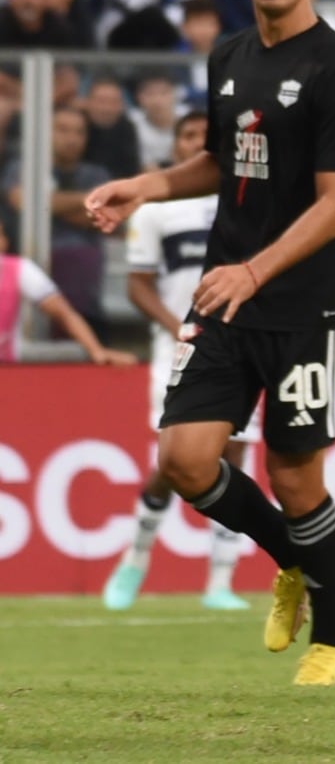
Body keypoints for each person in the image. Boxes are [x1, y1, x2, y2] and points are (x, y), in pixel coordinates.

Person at [83, 0, 335, 686]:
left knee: (293, 476)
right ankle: (293, 561)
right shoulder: (229, 57)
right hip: (226, 297)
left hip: (306, 307)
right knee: (183, 458)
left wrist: (256, 268)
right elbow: (222, 162)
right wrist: (146, 186)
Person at [103, 111, 250, 613]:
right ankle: (136, 557)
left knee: (233, 457)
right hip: (180, 345)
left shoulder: (247, 203)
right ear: (175, 142)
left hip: (241, 343)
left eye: (202, 136)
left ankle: (220, 581)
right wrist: (175, 325)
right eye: (185, 134)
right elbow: (137, 283)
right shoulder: (156, 208)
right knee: (173, 462)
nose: (194, 142)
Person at [3, 107, 113, 331]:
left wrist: (46, 202)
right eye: (62, 130)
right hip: (32, 283)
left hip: (85, 290)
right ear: (46, 131)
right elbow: (22, 201)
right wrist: (86, 199)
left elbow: (103, 218)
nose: (72, 138)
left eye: (79, 132)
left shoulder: (97, 174)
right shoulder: (23, 168)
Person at [0, 220, 134, 365]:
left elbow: (64, 314)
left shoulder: (19, 268)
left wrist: (96, 350)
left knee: (79, 351)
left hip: (8, 360)